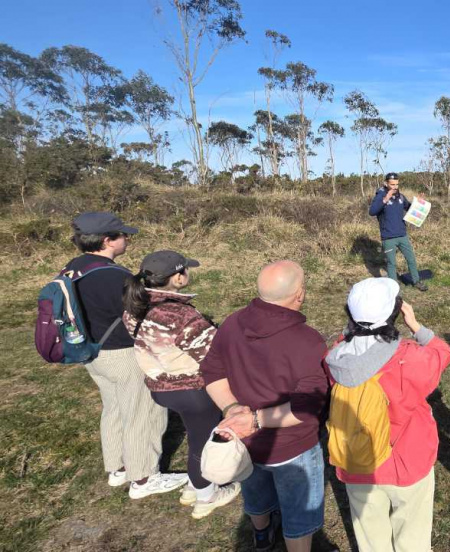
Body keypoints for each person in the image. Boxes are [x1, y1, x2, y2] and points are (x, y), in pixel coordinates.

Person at [201, 261, 329, 552]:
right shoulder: (307, 341)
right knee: (299, 515)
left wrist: (232, 409)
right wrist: (255, 420)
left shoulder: (232, 323)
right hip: (293, 446)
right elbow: (306, 407)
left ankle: (262, 535)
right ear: (300, 294)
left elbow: (212, 372)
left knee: (255, 492)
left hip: (245, 441)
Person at [324, 278, 450, 552]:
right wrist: (415, 326)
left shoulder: (335, 359)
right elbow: (443, 353)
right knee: (413, 538)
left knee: (371, 541)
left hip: (358, 463)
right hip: (408, 462)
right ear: (396, 312)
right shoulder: (410, 357)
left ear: (351, 315)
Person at [64, 212, 186, 499]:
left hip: (92, 352)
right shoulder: (114, 276)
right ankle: (143, 478)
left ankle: (117, 467)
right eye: (123, 235)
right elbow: (142, 314)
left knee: (115, 407)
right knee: (143, 412)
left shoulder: (73, 268)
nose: (127, 239)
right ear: (108, 241)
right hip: (122, 353)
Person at [122, 250, 240, 518]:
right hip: (193, 391)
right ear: (177, 278)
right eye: (186, 269)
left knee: (195, 434)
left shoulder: (133, 308)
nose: (188, 273)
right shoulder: (180, 315)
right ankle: (206, 496)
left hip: (159, 387)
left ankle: (194, 486)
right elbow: (215, 354)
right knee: (202, 442)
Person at [369, 172, 428, 291]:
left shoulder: (401, 197)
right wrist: (386, 198)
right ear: (386, 183)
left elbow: (409, 208)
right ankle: (393, 288)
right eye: (392, 184)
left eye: (397, 184)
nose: (395, 187)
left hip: (402, 235)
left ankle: (416, 281)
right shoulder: (380, 195)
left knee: (411, 259)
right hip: (388, 237)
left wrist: (418, 203)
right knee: (391, 264)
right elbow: (372, 211)